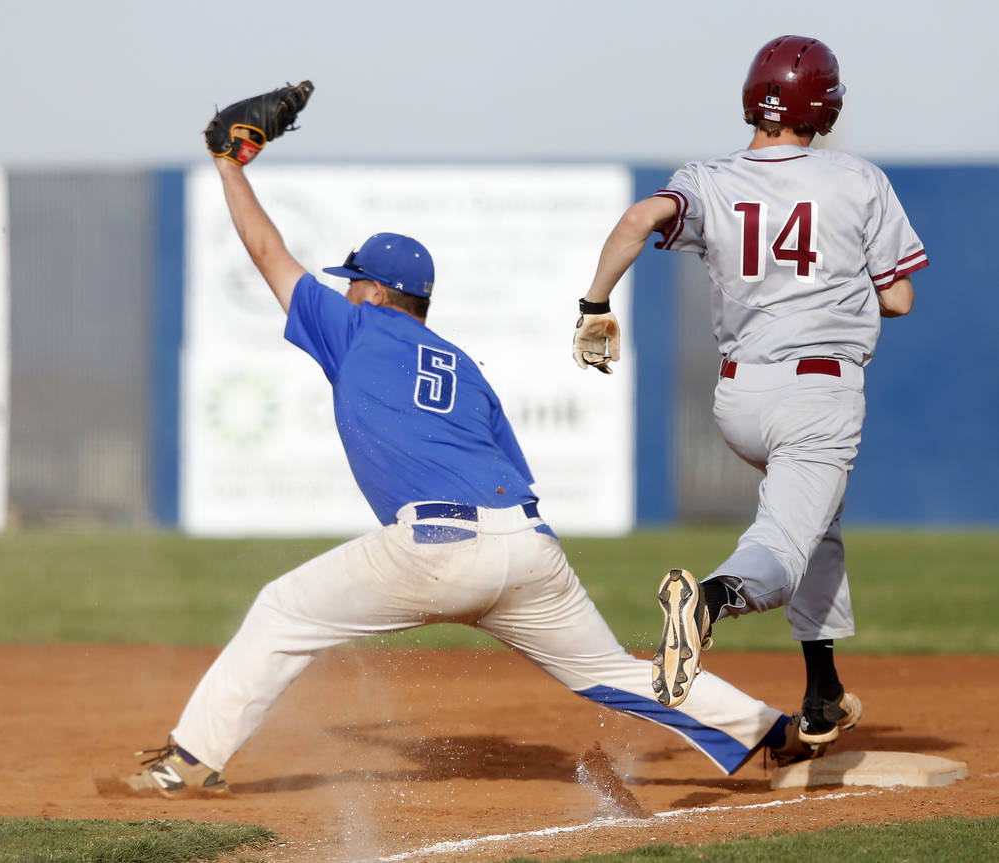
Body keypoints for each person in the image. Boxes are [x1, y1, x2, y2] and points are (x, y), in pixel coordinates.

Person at [119, 105, 820, 799]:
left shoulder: (356, 324)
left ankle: (188, 759)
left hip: (434, 543)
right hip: (526, 544)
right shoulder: (461, 364)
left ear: (370, 290)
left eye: (351, 280)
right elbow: (515, 471)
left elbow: (267, 251)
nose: (343, 289)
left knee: (282, 612)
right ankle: (770, 729)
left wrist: (227, 164)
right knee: (614, 670)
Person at [572, 35, 927, 752]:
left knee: (815, 525)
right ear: (823, 108)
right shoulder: (857, 180)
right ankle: (708, 600)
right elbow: (900, 298)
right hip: (816, 394)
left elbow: (642, 218)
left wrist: (593, 307)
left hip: (740, 399)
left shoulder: (707, 178)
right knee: (782, 546)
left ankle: (822, 693)